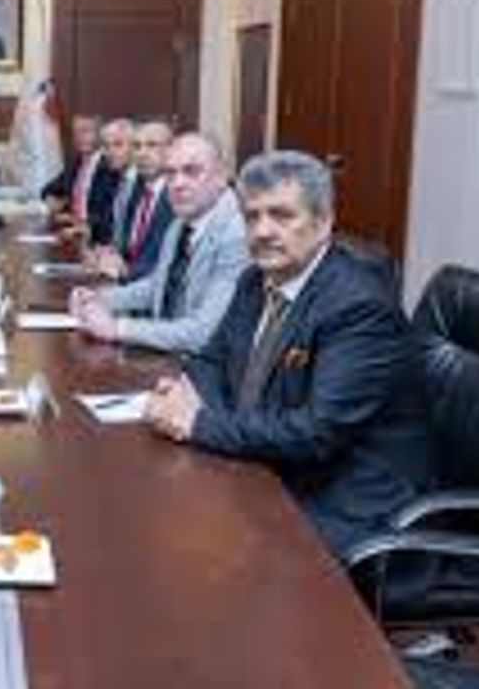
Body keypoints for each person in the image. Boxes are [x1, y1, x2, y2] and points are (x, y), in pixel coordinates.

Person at [143, 150, 431, 556]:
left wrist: (197, 422)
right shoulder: (255, 280)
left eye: (282, 215)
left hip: (346, 499)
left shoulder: (358, 306)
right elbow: (211, 359)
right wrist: (184, 392)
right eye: (252, 217)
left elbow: (316, 433)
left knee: (204, 550)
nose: (262, 231)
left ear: (323, 222)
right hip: (276, 466)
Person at [70, 133, 248, 354]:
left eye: (192, 171)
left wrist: (117, 328)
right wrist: (101, 298)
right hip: (166, 356)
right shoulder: (179, 224)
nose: (178, 184)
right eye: (171, 173)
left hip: (199, 365)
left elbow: (204, 333)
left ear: (222, 177)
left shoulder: (237, 234)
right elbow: (158, 286)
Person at [87, 118, 175, 282]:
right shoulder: (138, 191)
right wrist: (108, 255)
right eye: (137, 146)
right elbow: (128, 249)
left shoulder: (176, 197)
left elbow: (166, 267)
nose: (142, 153)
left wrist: (125, 271)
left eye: (152, 145)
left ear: (171, 151)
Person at [83, 118, 137, 248]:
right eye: (106, 146)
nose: (110, 152)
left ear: (134, 147)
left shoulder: (143, 183)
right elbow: (105, 225)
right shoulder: (111, 177)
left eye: (118, 145)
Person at [42, 114, 104, 225]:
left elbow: (106, 215)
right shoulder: (76, 164)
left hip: (91, 231)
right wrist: (51, 199)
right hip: (69, 228)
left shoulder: (108, 165)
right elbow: (48, 189)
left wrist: (74, 219)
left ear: (99, 134)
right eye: (75, 133)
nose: (79, 137)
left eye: (85, 131)